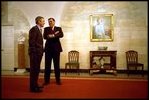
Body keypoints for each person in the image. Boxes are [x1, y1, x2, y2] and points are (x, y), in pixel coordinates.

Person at [43, 18, 64, 85]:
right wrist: (54, 35)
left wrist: (52, 35)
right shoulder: (46, 29)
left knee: (56, 65)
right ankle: (46, 81)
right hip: (48, 49)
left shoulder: (58, 28)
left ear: (54, 22)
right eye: (49, 22)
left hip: (56, 49)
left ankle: (58, 80)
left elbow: (61, 35)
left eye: (51, 21)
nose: (50, 23)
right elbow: (45, 37)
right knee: (47, 66)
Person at [28, 16, 45, 92]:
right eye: (43, 21)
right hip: (35, 54)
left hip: (38, 53)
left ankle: (36, 85)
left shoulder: (39, 29)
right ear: (38, 21)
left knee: (36, 70)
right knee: (34, 71)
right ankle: (33, 88)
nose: (44, 22)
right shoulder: (34, 29)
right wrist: (34, 53)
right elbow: (32, 43)